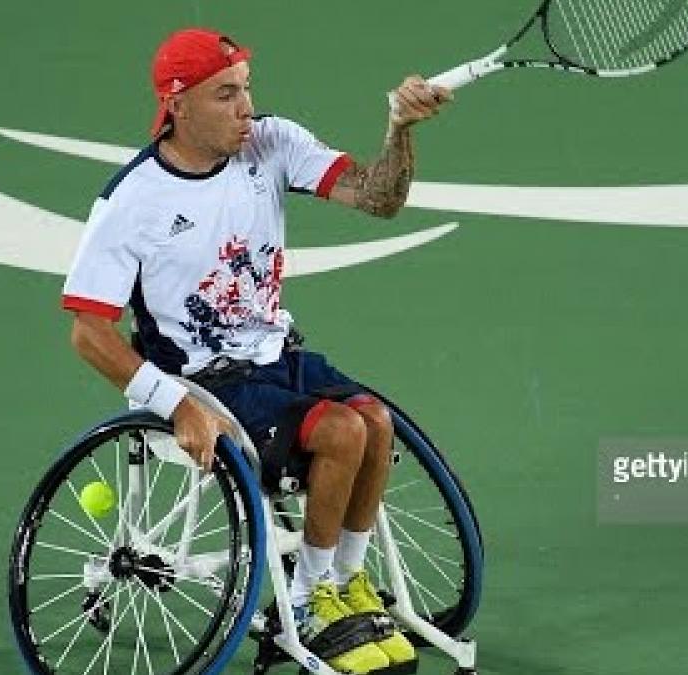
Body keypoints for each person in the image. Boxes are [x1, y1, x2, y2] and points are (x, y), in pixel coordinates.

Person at [61, 27, 449, 675]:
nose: (246, 108)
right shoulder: (131, 202)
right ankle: (307, 597)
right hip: (198, 378)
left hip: (275, 356)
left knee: (375, 422)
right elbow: (88, 331)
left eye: (246, 88)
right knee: (344, 431)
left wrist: (400, 125)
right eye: (225, 95)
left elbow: (380, 198)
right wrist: (177, 404)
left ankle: (341, 587)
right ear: (176, 105)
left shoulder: (270, 141)